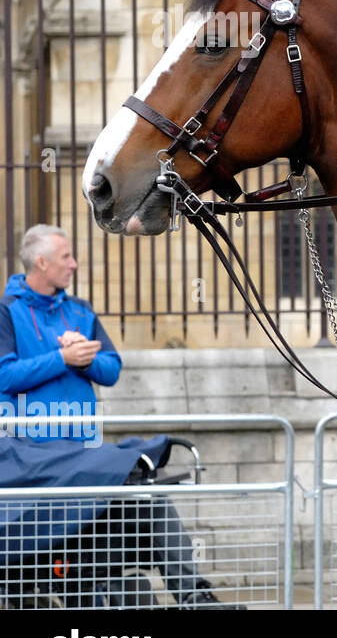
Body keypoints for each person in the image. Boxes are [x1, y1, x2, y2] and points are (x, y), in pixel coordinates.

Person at [0, 224, 240, 608]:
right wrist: (61, 359)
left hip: (84, 459)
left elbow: (111, 369)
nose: (75, 264)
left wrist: (86, 358)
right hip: (33, 465)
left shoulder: (80, 311)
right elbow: (3, 374)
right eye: (66, 257)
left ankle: (196, 598)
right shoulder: (7, 312)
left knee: (147, 499)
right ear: (41, 262)